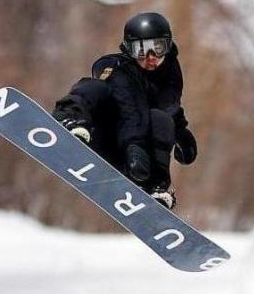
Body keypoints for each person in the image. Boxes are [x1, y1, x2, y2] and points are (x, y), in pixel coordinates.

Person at [52, 11, 197, 209]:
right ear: (129, 50)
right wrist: (134, 147)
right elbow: (131, 107)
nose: (150, 57)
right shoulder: (117, 67)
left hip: (138, 163)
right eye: (141, 50)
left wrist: (182, 135)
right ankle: (69, 120)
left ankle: (156, 187)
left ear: (168, 46)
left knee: (161, 120)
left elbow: (169, 109)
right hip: (106, 137)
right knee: (94, 87)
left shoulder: (169, 76)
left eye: (157, 48)